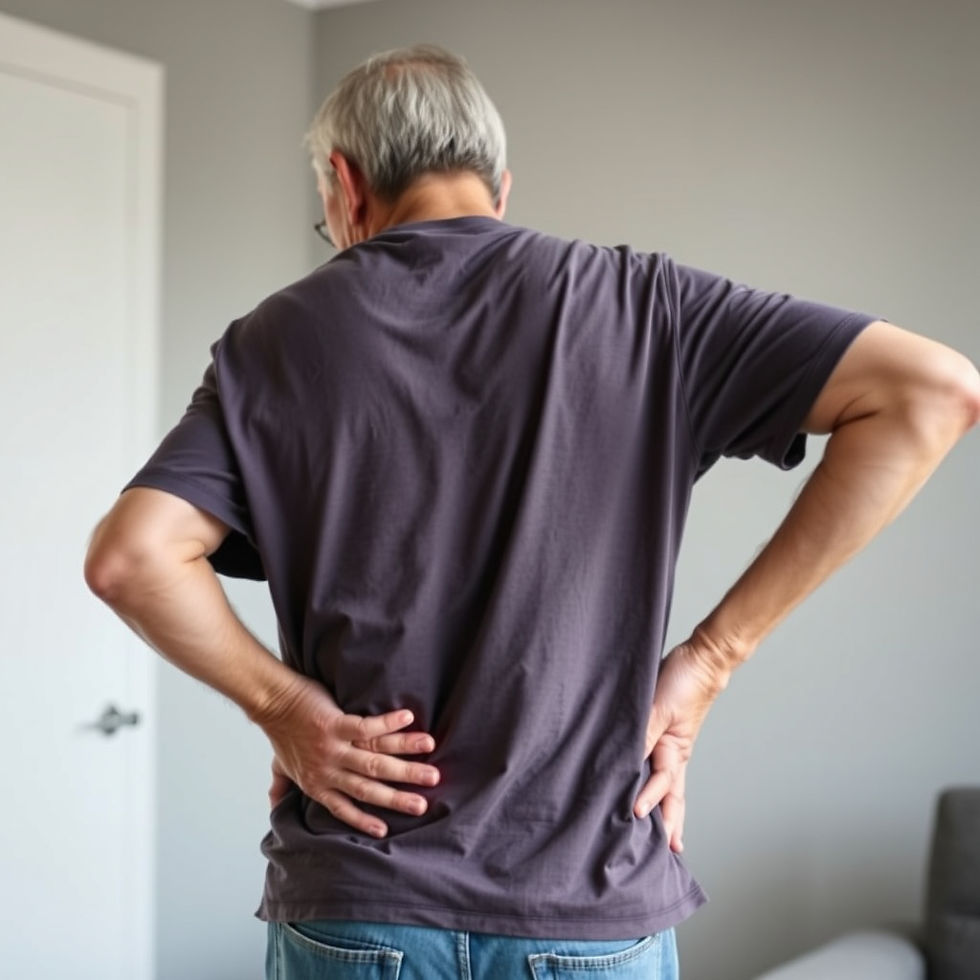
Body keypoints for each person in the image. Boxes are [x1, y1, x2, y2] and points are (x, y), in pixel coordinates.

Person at [84, 44, 980, 980]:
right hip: (586, 902)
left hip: (360, 896)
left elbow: (132, 559)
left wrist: (285, 710)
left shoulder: (269, 343)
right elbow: (934, 395)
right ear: (498, 188)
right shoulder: (646, 306)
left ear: (345, 188)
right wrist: (711, 661)